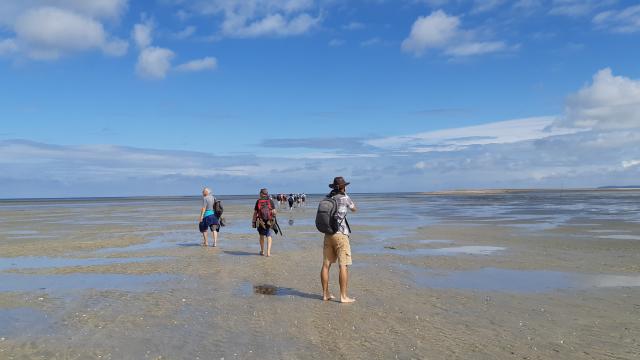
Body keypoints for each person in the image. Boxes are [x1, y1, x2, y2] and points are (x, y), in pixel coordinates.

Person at [320, 177, 357, 303]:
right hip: (341, 235)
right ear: (343, 187)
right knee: (343, 265)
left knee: (326, 265)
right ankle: (343, 296)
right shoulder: (344, 197)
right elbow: (354, 208)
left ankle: (325, 294)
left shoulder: (327, 198)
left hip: (328, 234)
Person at [252, 188, 277, 256]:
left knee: (261, 236)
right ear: (267, 194)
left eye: (260, 193)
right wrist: (273, 215)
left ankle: (262, 251)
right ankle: (268, 253)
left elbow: (255, 213)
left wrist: (253, 222)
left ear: (261, 194)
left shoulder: (258, 201)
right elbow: (274, 212)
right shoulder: (270, 201)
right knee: (269, 236)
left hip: (261, 221)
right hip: (269, 220)